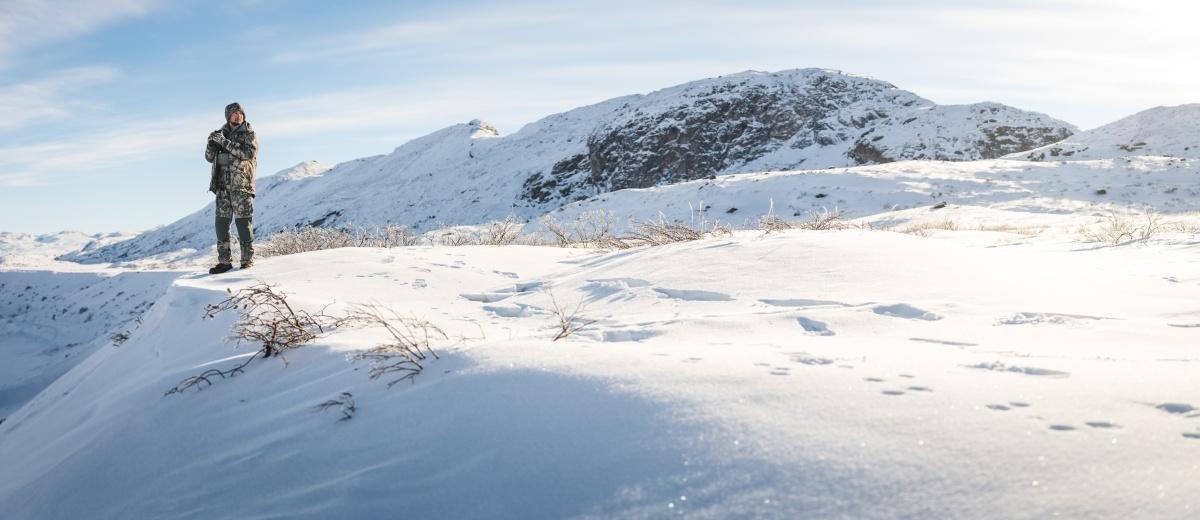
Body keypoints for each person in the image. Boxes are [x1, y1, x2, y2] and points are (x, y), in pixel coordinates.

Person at [205, 102, 259, 274]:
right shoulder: (220, 134)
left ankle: (247, 259)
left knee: (243, 223)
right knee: (221, 224)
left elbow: (248, 153)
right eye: (235, 113)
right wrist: (211, 144)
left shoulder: (249, 133)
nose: (238, 116)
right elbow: (209, 157)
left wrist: (225, 143)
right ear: (228, 116)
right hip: (222, 187)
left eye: (240, 113)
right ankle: (224, 261)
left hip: (242, 186)